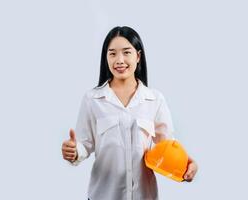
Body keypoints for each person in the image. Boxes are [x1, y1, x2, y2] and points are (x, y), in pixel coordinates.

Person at [62, 26, 198, 200]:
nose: (119, 60)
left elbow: (168, 146)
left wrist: (187, 163)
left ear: (138, 56)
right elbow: (83, 144)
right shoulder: (92, 99)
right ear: (106, 58)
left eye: (126, 52)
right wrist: (74, 151)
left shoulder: (155, 100)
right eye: (112, 54)